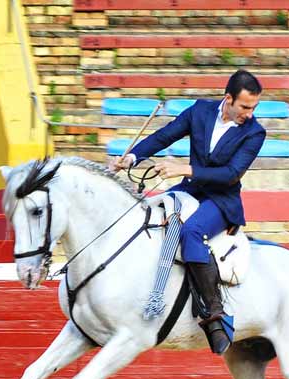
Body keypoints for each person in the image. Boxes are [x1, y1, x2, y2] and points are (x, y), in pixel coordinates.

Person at [113, 69, 266, 355]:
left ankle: (215, 316)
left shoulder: (255, 132)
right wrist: (132, 157)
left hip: (222, 201)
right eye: (245, 106)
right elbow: (164, 136)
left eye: (254, 107)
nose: (250, 113)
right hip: (192, 190)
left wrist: (185, 169)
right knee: (149, 215)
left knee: (192, 232)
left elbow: (231, 174)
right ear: (228, 99)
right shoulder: (200, 111)